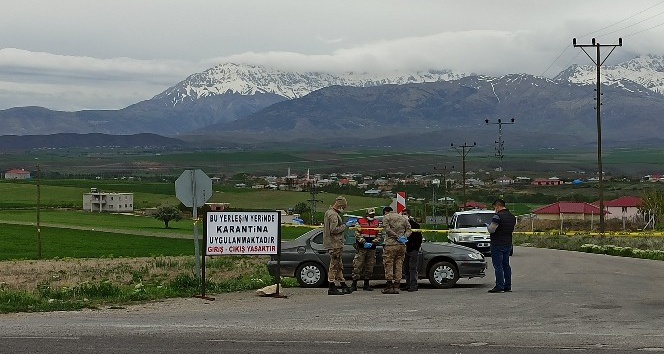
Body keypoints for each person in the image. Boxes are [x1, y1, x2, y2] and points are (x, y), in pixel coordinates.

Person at [323, 196, 354, 295]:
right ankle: (331, 286)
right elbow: (334, 230)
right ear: (340, 206)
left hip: (334, 243)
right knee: (334, 265)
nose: (343, 209)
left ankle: (343, 284)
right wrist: (346, 225)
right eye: (343, 207)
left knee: (339, 265)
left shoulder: (329, 212)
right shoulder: (333, 215)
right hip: (334, 243)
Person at [486, 198, 517, 293]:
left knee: (498, 266)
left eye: (495, 207)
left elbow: (492, 230)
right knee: (506, 265)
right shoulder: (512, 217)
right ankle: (507, 286)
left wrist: (487, 226)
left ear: (498, 206)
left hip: (497, 243)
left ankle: (499, 286)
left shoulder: (497, 217)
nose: (495, 209)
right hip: (508, 243)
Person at [380, 206, 411, 294]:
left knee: (388, 263)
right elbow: (409, 229)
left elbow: (387, 229)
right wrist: (404, 237)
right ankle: (397, 285)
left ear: (386, 212)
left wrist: (396, 237)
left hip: (391, 244)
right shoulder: (403, 218)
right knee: (399, 264)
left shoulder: (386, 217)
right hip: (401, 245)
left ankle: (389, 285)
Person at [351, 208, 381, 291]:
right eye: (370, 214)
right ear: (366, 214)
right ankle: (354, 284)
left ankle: (366, 284)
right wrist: (363, 242)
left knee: (370, 266)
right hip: (361, 247)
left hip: (372, 248)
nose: (372, 216)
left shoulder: (377, 223)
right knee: (357, 265)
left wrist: (374, 242)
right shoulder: (360, 222)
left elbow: (379, 235)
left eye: (373, 214)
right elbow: (357, 234)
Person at [400, 208, 423, 292]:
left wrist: (415, 248)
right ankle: (408, 284)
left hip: (413, 250)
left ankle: (414, 285)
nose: (404, 215)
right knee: (406, 268)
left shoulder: (415, 225)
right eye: (403, 214)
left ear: (409, 214)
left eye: (405, 214)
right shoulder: (402, 225)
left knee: (412, 268)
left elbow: (419, 239)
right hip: (405, 249)